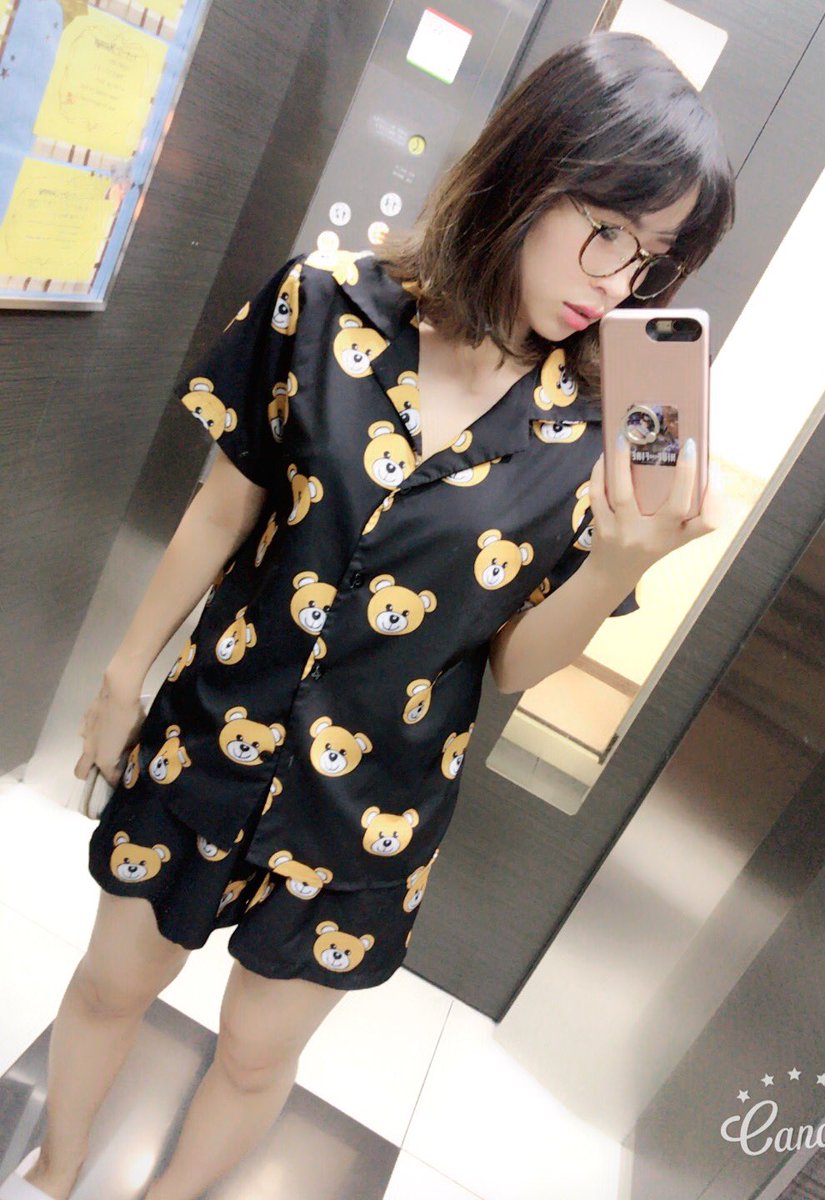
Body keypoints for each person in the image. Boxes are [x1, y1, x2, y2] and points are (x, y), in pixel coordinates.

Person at [15, 30, 734, 1200]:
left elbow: (512, 666)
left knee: (256, 1056)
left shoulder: (592, 431)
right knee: (110, 985)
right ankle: (53, 1172)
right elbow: (220, 509)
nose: (618, 284)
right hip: (212, 733)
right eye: (609, 230)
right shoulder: (322, 304)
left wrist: (613, 570)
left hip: (369, 815)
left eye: (653, 262)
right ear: (532, 169)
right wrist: (119, 674)